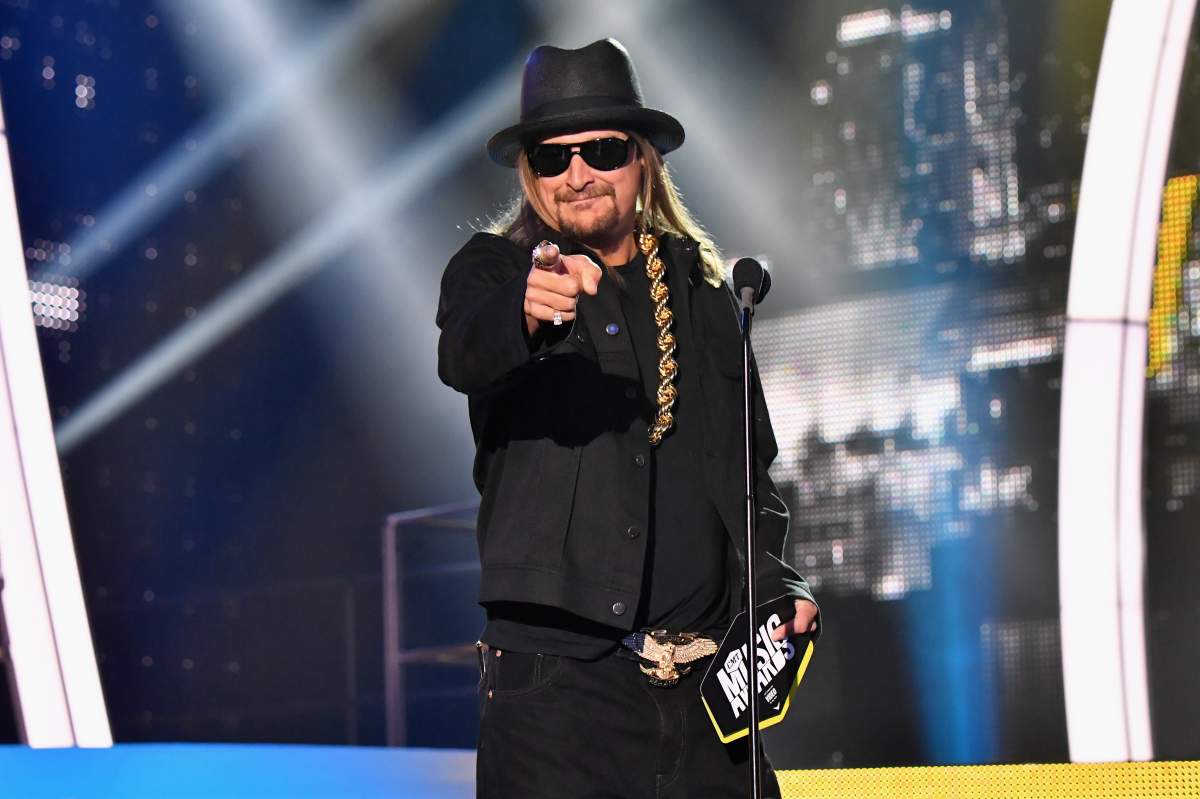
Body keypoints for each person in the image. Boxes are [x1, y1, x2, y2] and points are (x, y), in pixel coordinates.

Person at [436, 38, 820, 799]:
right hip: (559, 692)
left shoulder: (706, 295)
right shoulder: (499, 271)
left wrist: (779, 584)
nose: (577, 174)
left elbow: (749, 466)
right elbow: (465, 349)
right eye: (553, 158)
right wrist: (529, 311)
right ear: (531, 172)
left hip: (710, 687)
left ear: (642, 158)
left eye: (602, 150)